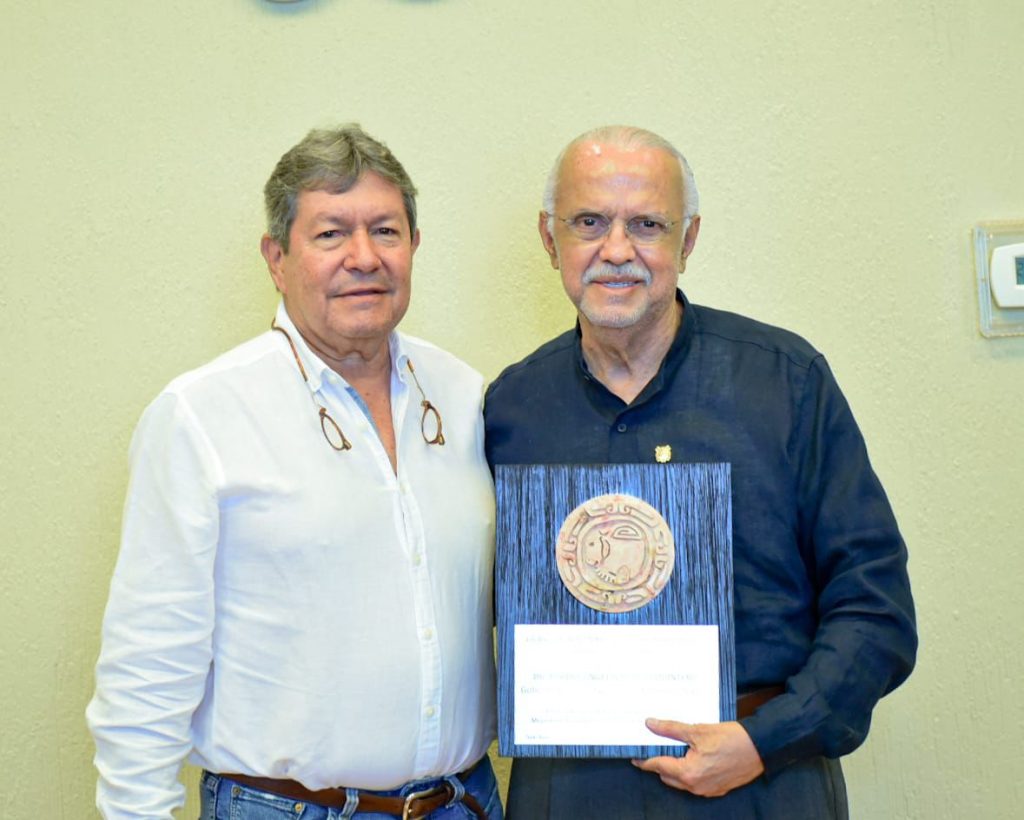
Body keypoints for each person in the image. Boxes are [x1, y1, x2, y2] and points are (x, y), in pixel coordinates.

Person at [483, 125, 917, 819]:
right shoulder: (510, 408)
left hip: (761, 783)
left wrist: (766, 740)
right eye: (589, 222)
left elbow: (875, 606)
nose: (616, 250)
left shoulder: (784, 384)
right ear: (549, 238)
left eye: (647, 224)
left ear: (687, 240)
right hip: (570, 792)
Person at [87, 125, 501, 820]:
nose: (363, 257)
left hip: (462, 802)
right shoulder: (202, 414)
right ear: (276, 259)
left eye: (386, 231)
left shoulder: (465, 395)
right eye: (331, 234)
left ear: (415, 246)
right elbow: (149, 661)